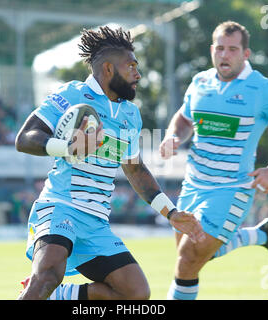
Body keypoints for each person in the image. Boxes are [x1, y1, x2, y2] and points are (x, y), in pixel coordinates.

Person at [15, 26, 205, 300]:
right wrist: (67, 147)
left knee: (136, 294)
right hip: (61, 207)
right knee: (46, 276)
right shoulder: (71, 95)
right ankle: (49, 289)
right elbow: (26, 138)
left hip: (96, 224)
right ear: (107, 70)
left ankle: (62, 296)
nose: (138, 74)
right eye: (131, 67)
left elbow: (135, 170)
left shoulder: (131, 115)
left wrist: (172, 214)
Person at [159, 21, 268, 300]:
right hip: (192, 185)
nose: (224, 55)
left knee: (189, 258)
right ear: (211, 50)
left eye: (232, 49)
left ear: (246, 54)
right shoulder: (200, 82)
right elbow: (183, 118)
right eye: (219, 48)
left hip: (232, 190)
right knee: (193, 255)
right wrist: (173, 136)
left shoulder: (262, 89)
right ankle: (262, 235)